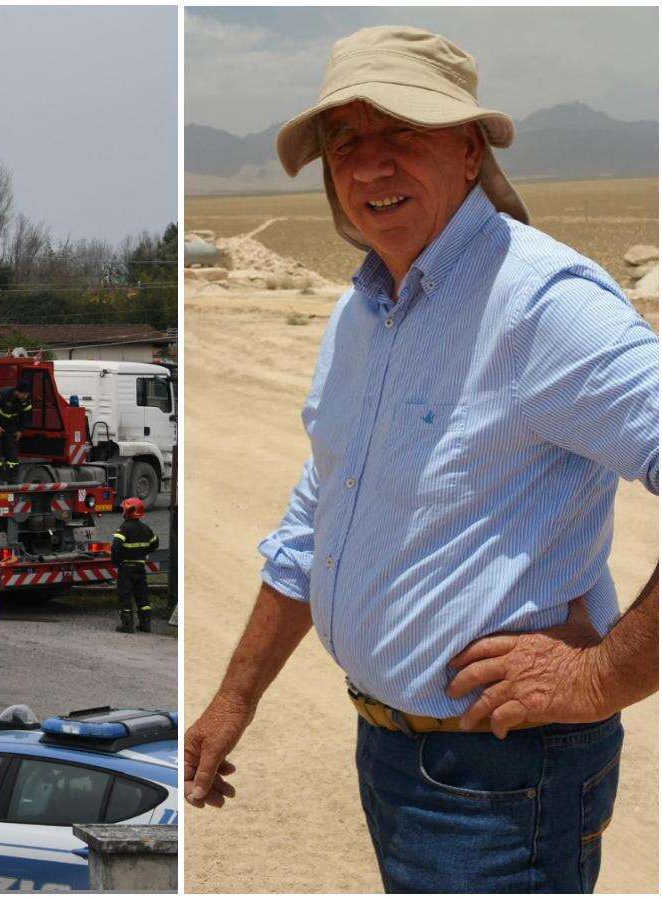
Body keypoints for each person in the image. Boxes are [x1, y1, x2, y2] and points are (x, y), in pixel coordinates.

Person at [183, 26, 659, 894]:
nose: (369, 168)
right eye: (346, 143)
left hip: (503, 783)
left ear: (470, 149)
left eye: (403, 133)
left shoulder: (540, 305)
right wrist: (235, 698)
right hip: (398, 757)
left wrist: (604, 675)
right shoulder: (365, 312)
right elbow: (318, 513)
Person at [112, 497, 159, 634]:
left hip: (126, 568)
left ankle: (127, 625)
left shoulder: (124, 528)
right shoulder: (146, 529)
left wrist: (116, 561)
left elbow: (116, 547)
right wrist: (144, 552)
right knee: (142, 596)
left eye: (124, 509)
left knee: (125, 596)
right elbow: (155, 544)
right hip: (140, 568)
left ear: (128, 511)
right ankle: (145, 624)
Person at [0, 380, 32, 485]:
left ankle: (13, 477)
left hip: (11, 426)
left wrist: (20, 430)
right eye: (23, 393)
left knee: (12, 452)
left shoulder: (26, 401)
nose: (25, 396)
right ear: (17, 391)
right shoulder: (3, 395)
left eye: (27, 394)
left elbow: (26, 417)